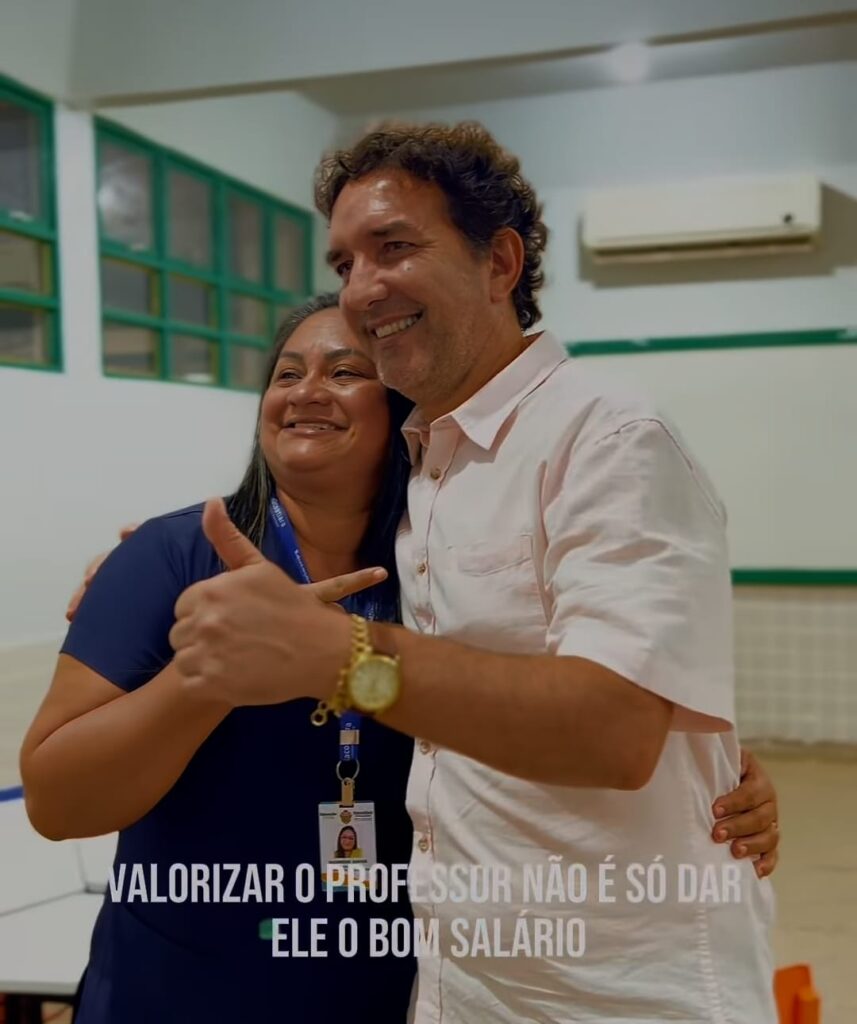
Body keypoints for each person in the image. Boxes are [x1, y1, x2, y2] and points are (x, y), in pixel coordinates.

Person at [165, 122, 781, 1022]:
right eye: (344, 262)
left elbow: (614, 729)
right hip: (463, 985)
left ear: (498, 262)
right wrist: (151, 561)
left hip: (623, 996)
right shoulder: (423, 465)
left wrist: (339, 657)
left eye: (394, 247)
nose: (361, 289)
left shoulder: (606, 437)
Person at [19, 294, 418, 1024]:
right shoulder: (171, 556)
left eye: (345, 371)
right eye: (287, 374)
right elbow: (56, 801)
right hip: (174, 989)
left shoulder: (438, 571)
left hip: (376, 989)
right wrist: (209, 678)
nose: (306, 391)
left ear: (402, 407)